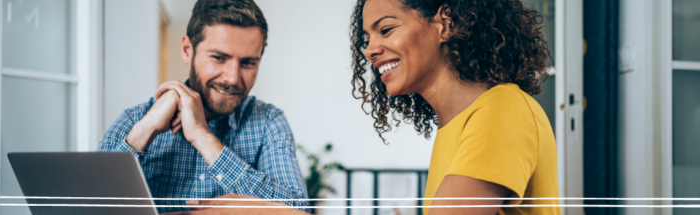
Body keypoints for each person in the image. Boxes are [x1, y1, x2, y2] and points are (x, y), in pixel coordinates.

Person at [166, 0, 559, 214]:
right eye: (366, 37)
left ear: (446, 22)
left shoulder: (501, 110)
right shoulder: (455, 127)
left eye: (385, 29)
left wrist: (268, 214)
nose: (370, 48)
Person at [97, 0, 310, 214]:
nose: (233, 78)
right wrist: (146, 131)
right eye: (218, 58)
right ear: (187, 50)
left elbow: (298, 211)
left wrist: (202, 137)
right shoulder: (136, 119)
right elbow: (88, 205)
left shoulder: (268, 121)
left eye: (247, 63)